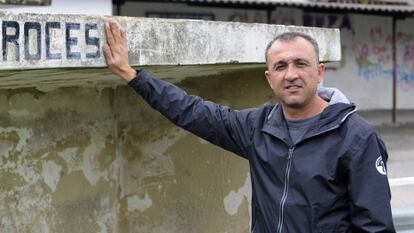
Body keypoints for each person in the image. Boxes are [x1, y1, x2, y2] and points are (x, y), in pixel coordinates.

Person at [103, 20, 395, 232]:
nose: (291, 74)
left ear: (319, 72)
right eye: (280, 67)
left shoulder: (356, 137)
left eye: (300, 64)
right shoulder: (258, 126)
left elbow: (375, 228)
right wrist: (132, 75)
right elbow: (192, 111)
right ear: (269, 78)